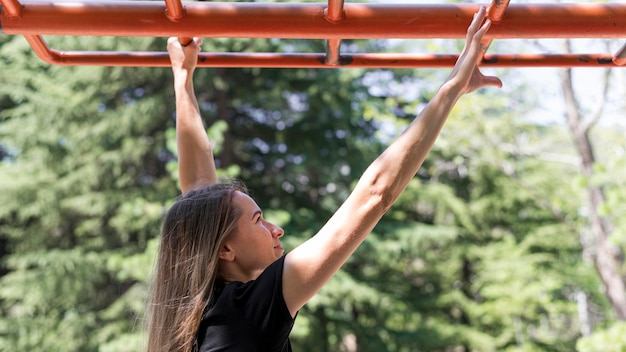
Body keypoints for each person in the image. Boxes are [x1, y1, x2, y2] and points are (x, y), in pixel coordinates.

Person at [147, 6, 502, 352]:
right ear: (224, 249)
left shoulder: (199, 318)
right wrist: (452, 87)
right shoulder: (246, 311)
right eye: (258, 220)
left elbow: (196, 191)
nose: (276, 229)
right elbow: (374, 194)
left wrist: (183, 78)